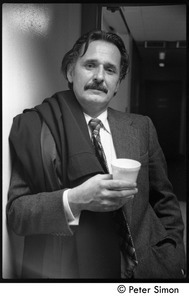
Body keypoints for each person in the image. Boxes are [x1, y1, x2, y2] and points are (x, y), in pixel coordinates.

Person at [7, 30, 186, 279]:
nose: (100, 77)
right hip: (76, 273)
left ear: (118, 85)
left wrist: (173, 256)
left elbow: (165, 201)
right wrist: (75, 199)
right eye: (90, 65)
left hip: (146, 270)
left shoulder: (142, 127)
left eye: (110, 70)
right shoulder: (37, 128)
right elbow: (17, 214)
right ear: (71, 72)